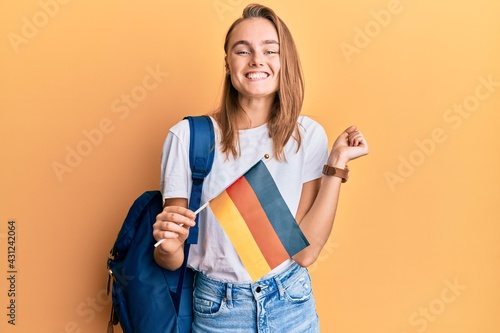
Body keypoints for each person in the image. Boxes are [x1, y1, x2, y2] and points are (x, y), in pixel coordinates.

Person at [153, 3, 369, 332]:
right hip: (218, 308)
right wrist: (166, 247)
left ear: (285, 62)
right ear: (228, 63)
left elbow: (306, 253)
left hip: (291, 302)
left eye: (271, 49)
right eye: (243, 50)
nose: (257, 59)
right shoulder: (187, 137)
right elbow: (170, 256)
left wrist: (336, 166)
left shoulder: (307, 135)